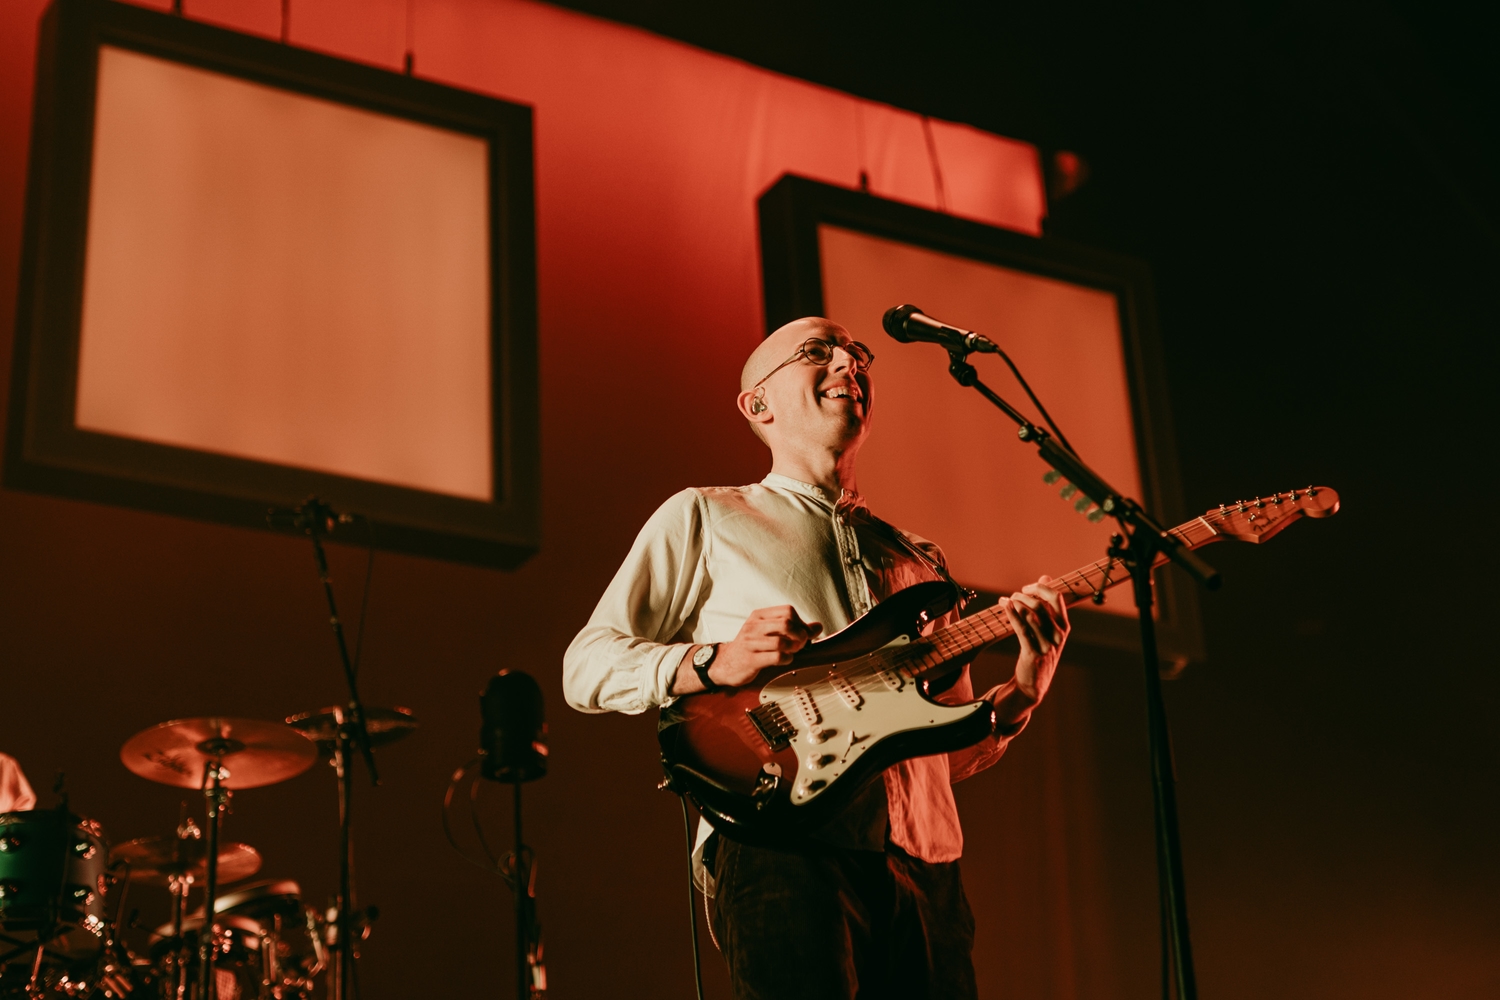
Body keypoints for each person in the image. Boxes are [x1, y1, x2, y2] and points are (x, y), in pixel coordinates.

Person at [563, 317, 1070, 999]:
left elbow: (941, 749)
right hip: (781, 837)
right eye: (817, 352)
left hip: (925, 866)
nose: (849, 365)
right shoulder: (707, 516)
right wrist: (714, 661)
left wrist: (1021, 695)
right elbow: (586, 666)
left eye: (858, 356)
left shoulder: (920, 562)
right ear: (758, 405)